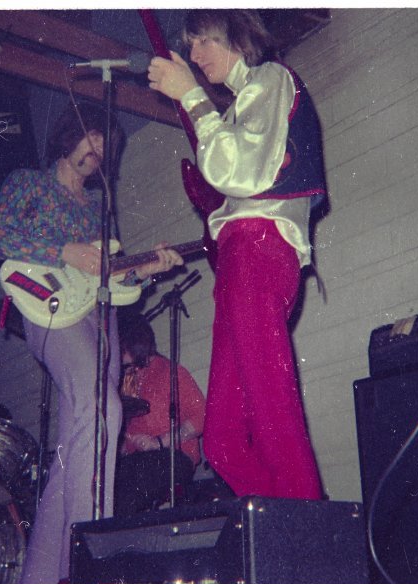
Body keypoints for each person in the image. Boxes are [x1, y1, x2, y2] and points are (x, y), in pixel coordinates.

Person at [0, 102, 183, 584]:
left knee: (76, 447)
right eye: (92, 137)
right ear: (69, 136)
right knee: (102, 410)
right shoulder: (29, 183)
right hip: (51, 310)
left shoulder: (98, 207)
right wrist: (63, 251)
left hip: (100, 318)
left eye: (106, 145)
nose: (98, 150)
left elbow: (111, 276)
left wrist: (146, 269)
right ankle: (91, 559)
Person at [147, 10, 326, 500]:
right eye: (190, 45)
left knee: (272, 413)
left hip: (259, 249)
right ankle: (284, 520)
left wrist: (191, 97)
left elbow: (242, 171)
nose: (194, 54)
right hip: (236, 256)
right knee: (222, 442)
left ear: (237, 36)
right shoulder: (238, 109)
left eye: (203, 41)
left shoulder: (271, 79)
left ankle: (305, 531)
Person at [114, 313, 206, 516]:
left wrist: (158, 442)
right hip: (138, 461)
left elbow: (201, 416)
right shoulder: (126, 380)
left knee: (128, 484)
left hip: (174, 456)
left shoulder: (170, 372)